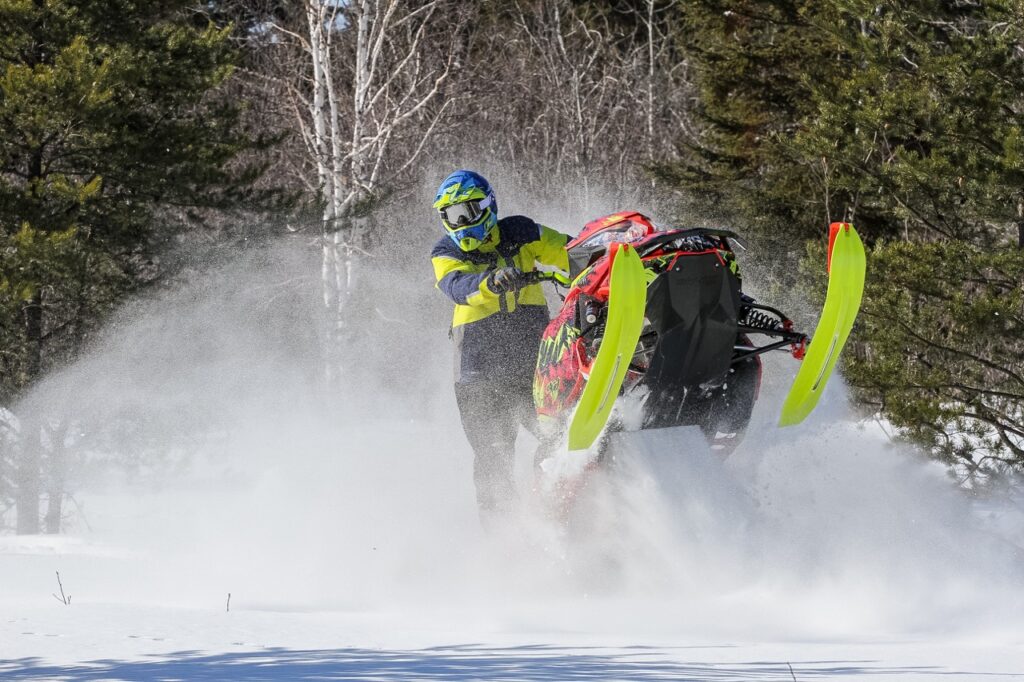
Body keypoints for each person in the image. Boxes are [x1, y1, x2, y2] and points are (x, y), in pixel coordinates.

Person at [429, 170, 570, 524]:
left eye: (468, 212)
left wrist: (601, 256)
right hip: (478, 375)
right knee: (493, 456)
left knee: (561, 434)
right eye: (451, 216)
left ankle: (556, 505)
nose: (460, 224)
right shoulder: (445, 252)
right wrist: (491, 282)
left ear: (489, 205)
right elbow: (458, 286)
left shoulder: (521, 232)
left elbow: (569, 250)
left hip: (532, 365)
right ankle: (502, 535)